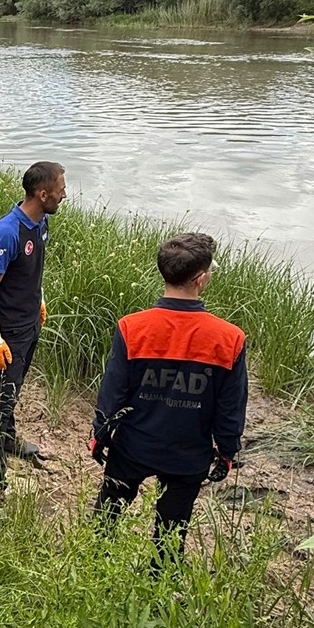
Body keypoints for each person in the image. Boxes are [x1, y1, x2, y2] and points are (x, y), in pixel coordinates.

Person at [90, 232, 247, 558]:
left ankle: (93, 569)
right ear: (201, 279)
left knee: (106, 517)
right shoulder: (230, 338)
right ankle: (159, 594)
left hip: (133, 446)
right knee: (171, 536)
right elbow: (230, 408)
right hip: (188, 455)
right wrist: (227, 451)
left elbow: (113, 391)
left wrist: (100, 435)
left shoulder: (132, 328)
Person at [0, 162, 66, 510]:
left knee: (12, 392)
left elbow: (31, 270)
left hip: (30, 323)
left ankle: (10, 440)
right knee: (0, 402)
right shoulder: (7, 233)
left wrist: (39, 298)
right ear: (41, 194)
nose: (64, 194)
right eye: (60, 189)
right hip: (8, 332)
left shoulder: (41, 222)